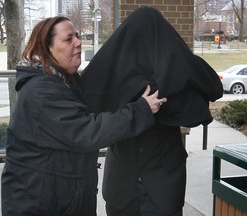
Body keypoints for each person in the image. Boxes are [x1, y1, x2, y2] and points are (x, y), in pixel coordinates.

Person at [1, 16, 167, 216]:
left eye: (77, 36)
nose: (78, 42)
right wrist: (142, 109)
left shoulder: (63, 81)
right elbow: (87, 132)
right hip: (40, 202)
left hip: (61, 196)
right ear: (46, 48)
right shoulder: (42, 91)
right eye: (68, 39)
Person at [79, 7, 223, 216]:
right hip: (123, 187)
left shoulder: (177, 69)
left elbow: (211, 88)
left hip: (162, 189)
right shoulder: (116, 76)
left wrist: (175, 64)